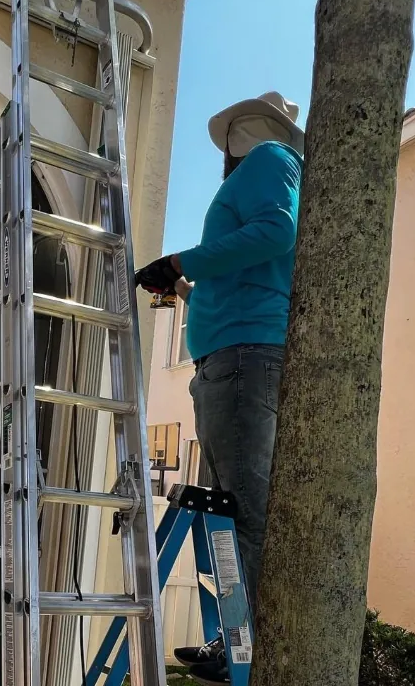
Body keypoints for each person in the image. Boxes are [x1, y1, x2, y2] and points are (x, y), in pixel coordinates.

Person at [135, 91, 304, 685]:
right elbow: (248, 269)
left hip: (240, 360)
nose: (226, 154)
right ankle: (235, 639)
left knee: (245, 511)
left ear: (241, 133)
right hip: (231, 358)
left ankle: (243, 646)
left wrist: (183, 260)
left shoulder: (270, 159)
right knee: (234, 509)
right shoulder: (271, 169)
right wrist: (181, 288)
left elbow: (277, 233)